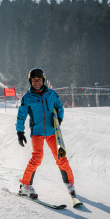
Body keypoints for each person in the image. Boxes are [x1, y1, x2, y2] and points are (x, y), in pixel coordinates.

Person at [16, 68, 76, 199]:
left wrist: (59, 118)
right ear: (30, 81)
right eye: (33, 80)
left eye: (39, 79)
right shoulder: (27, 98)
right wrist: (20, 132)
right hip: (37, 132)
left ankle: (69, 184)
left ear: (43, 80)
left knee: (61, 157)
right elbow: (21, 116)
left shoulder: (51, 94)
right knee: (36, 158)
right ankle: (25, 185)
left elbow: (59, 106)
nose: (36, 82)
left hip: (52, 132)